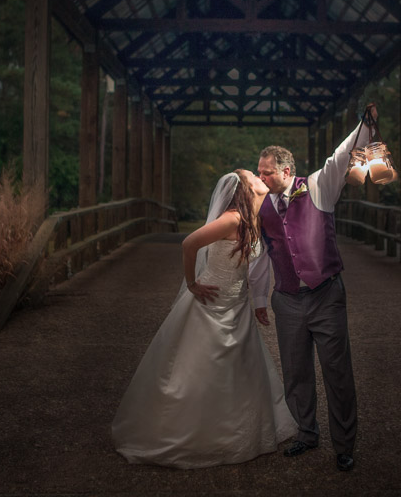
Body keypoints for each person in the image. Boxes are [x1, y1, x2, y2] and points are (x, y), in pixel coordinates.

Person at [111, 170, 297, 469]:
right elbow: (189, 244)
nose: (258, 175)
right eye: (253, 175)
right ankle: (194, 433)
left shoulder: (252, 220)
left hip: (237, 305)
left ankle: (238, 429)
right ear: (244, 189)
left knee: (238, 369)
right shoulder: (233, 219)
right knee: (203, 367)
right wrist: (193, 283)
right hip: (213, 302)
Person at [254, 104, 377, 472]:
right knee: (296, 372)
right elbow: (262, 254)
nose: (261, 178)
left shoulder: (319, 186)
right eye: (258, 172)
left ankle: (344, 445)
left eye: (266, 172)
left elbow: (340, 156)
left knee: (337, 371)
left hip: (326, 295)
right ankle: (306, 434)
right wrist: (261, 298)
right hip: (287, 300)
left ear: (286, 171)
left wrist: (365, 125)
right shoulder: (261, 205)